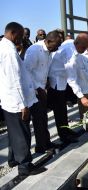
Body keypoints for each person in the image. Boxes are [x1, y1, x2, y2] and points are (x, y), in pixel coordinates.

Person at [0, 22, 45, 176]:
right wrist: (23, 105)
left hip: (9, 99)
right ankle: (25, 166)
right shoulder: (9, 52)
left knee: (14, 132)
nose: (22, 38)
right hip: (16, 101)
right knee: (22, 133)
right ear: (13, 33)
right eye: (20, 35)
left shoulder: (5, 47)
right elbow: (15, 80)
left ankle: (13, 159)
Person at [24, 30, 62, 153]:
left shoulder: (49, 51)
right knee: (39, 119)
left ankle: (45, 143)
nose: (57, 48)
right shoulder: (34, 51)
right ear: (48, 41)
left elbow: (43, 69)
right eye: (56, 45)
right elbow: (26, 72)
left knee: (43, 118)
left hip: (42, 88)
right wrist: (38, 88)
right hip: (33, 91)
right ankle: (41, 147)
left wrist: (46, 82)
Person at [48, 33, 88, 140]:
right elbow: (71, 79)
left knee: (63, 110)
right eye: (83, 48)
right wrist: (82, 97)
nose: (84, 50)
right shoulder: (69, 55)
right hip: (56, 82)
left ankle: (66, 130)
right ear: (77, 43)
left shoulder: (71, 43)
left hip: (61, 80)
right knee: (59, 111)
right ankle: (63, 135)